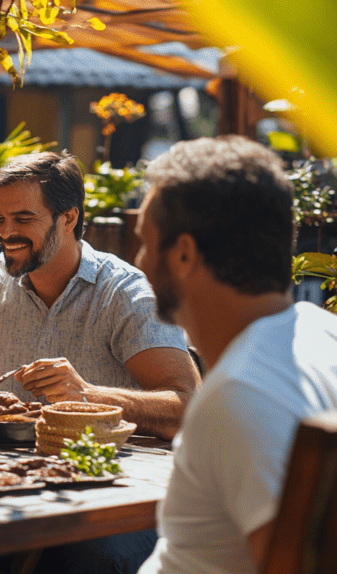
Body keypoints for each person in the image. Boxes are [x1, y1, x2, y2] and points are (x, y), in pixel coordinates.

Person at [135, 136, 337, 574]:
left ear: (184, 254)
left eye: (147, 244)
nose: (141, 264)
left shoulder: (241, 394)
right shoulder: (324, 335)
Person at [0, 151, 201, 441]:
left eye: (23, 218)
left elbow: (190, 409)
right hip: (3, 470)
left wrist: (89, 396)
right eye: (0, 218)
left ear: (69, 218)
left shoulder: (123, 293)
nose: (5, 232)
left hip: (105, 471)